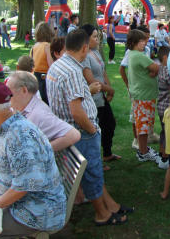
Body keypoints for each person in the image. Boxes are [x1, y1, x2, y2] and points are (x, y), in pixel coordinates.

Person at [0, 80, 67, 238]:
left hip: (38, 212)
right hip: (23, 204)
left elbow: (24, 185)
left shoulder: (19, 136)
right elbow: (6, 171)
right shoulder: (8, 127)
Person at [47, 29, 131, 225]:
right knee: (92, 172)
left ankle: (111, 205)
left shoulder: (58, 66)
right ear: (84, 48)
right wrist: (92, 130)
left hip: (68, 130)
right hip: (82, 131)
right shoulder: (73, 71)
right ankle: (102, 214)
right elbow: (76, 111)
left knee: (93, 171)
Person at [80, 24, 119, 164]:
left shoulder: (95, 52)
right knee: (97, 129)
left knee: (109, 124)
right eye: (95, 37)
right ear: (85, 39)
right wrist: (108, 90)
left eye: (98, 36)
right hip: (93, 98)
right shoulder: (84, 56)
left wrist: (109, 87)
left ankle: (107, 154)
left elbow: (103, 71)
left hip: (101, 96)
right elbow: (90, 79)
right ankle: (95, 161)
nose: (97, 40)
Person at [127, 29, 161, 163]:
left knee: (142, 123)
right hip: (144, 96)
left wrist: (152, 71)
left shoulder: (132, 54)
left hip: (142, 95)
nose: (144, 43)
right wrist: (153, 71)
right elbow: (156, 68)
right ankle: (143, 152)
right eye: (142, 41)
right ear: (135, 42)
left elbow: (152, 69)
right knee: (143, 125)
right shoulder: (139, 55)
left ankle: (144, 149)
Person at [156, 46, 170, 168]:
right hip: (166, 106)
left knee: (163, 131)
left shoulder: (160, 68)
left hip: (161, 106)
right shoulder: (167, 69)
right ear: (166, 58)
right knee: (168, 132)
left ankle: (162, 153)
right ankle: (166, 158)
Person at [31, 22, 54, 104]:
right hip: (45, 76)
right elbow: (51, 64)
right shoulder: (47, 46)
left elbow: (31, 62)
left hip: (36, 76)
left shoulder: (34, 47)